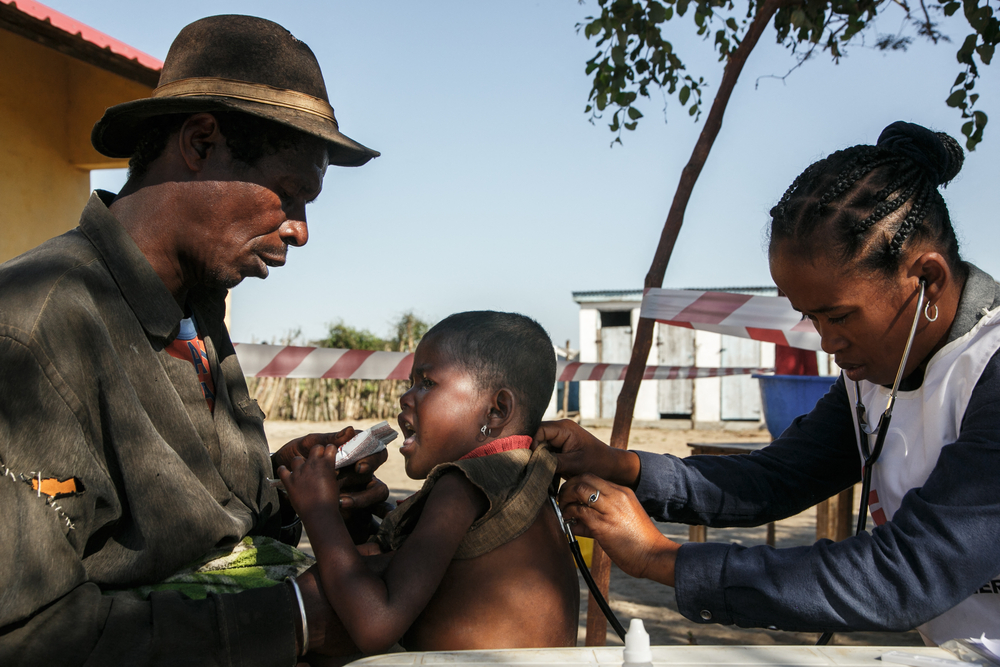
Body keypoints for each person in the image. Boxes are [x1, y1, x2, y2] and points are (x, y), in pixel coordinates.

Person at [0, 15, 393, 666]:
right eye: (290, 195)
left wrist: (301, 495)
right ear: (201, 141)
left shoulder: (199, 308)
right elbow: (28, 636)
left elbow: (206, 524)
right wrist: (292, 617)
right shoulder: (36, 332)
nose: (300, 231)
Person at [542, 121, 1000, 646]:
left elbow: (906, 575)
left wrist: (662, 558)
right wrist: (620, 466)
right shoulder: (876, 378)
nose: (827, 342)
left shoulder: (990, 369)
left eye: (839, 316)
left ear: (928, 280)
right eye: (811, 317)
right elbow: (772, 479)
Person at [278, 311, 580, 655]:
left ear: (496, 411)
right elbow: (403, 568)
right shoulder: (523, 475)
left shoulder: (461, 487)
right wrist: (353, 518)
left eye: (427, 383)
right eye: (411, 384)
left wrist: (318, 512)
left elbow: (375, 623)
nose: (406, 398)